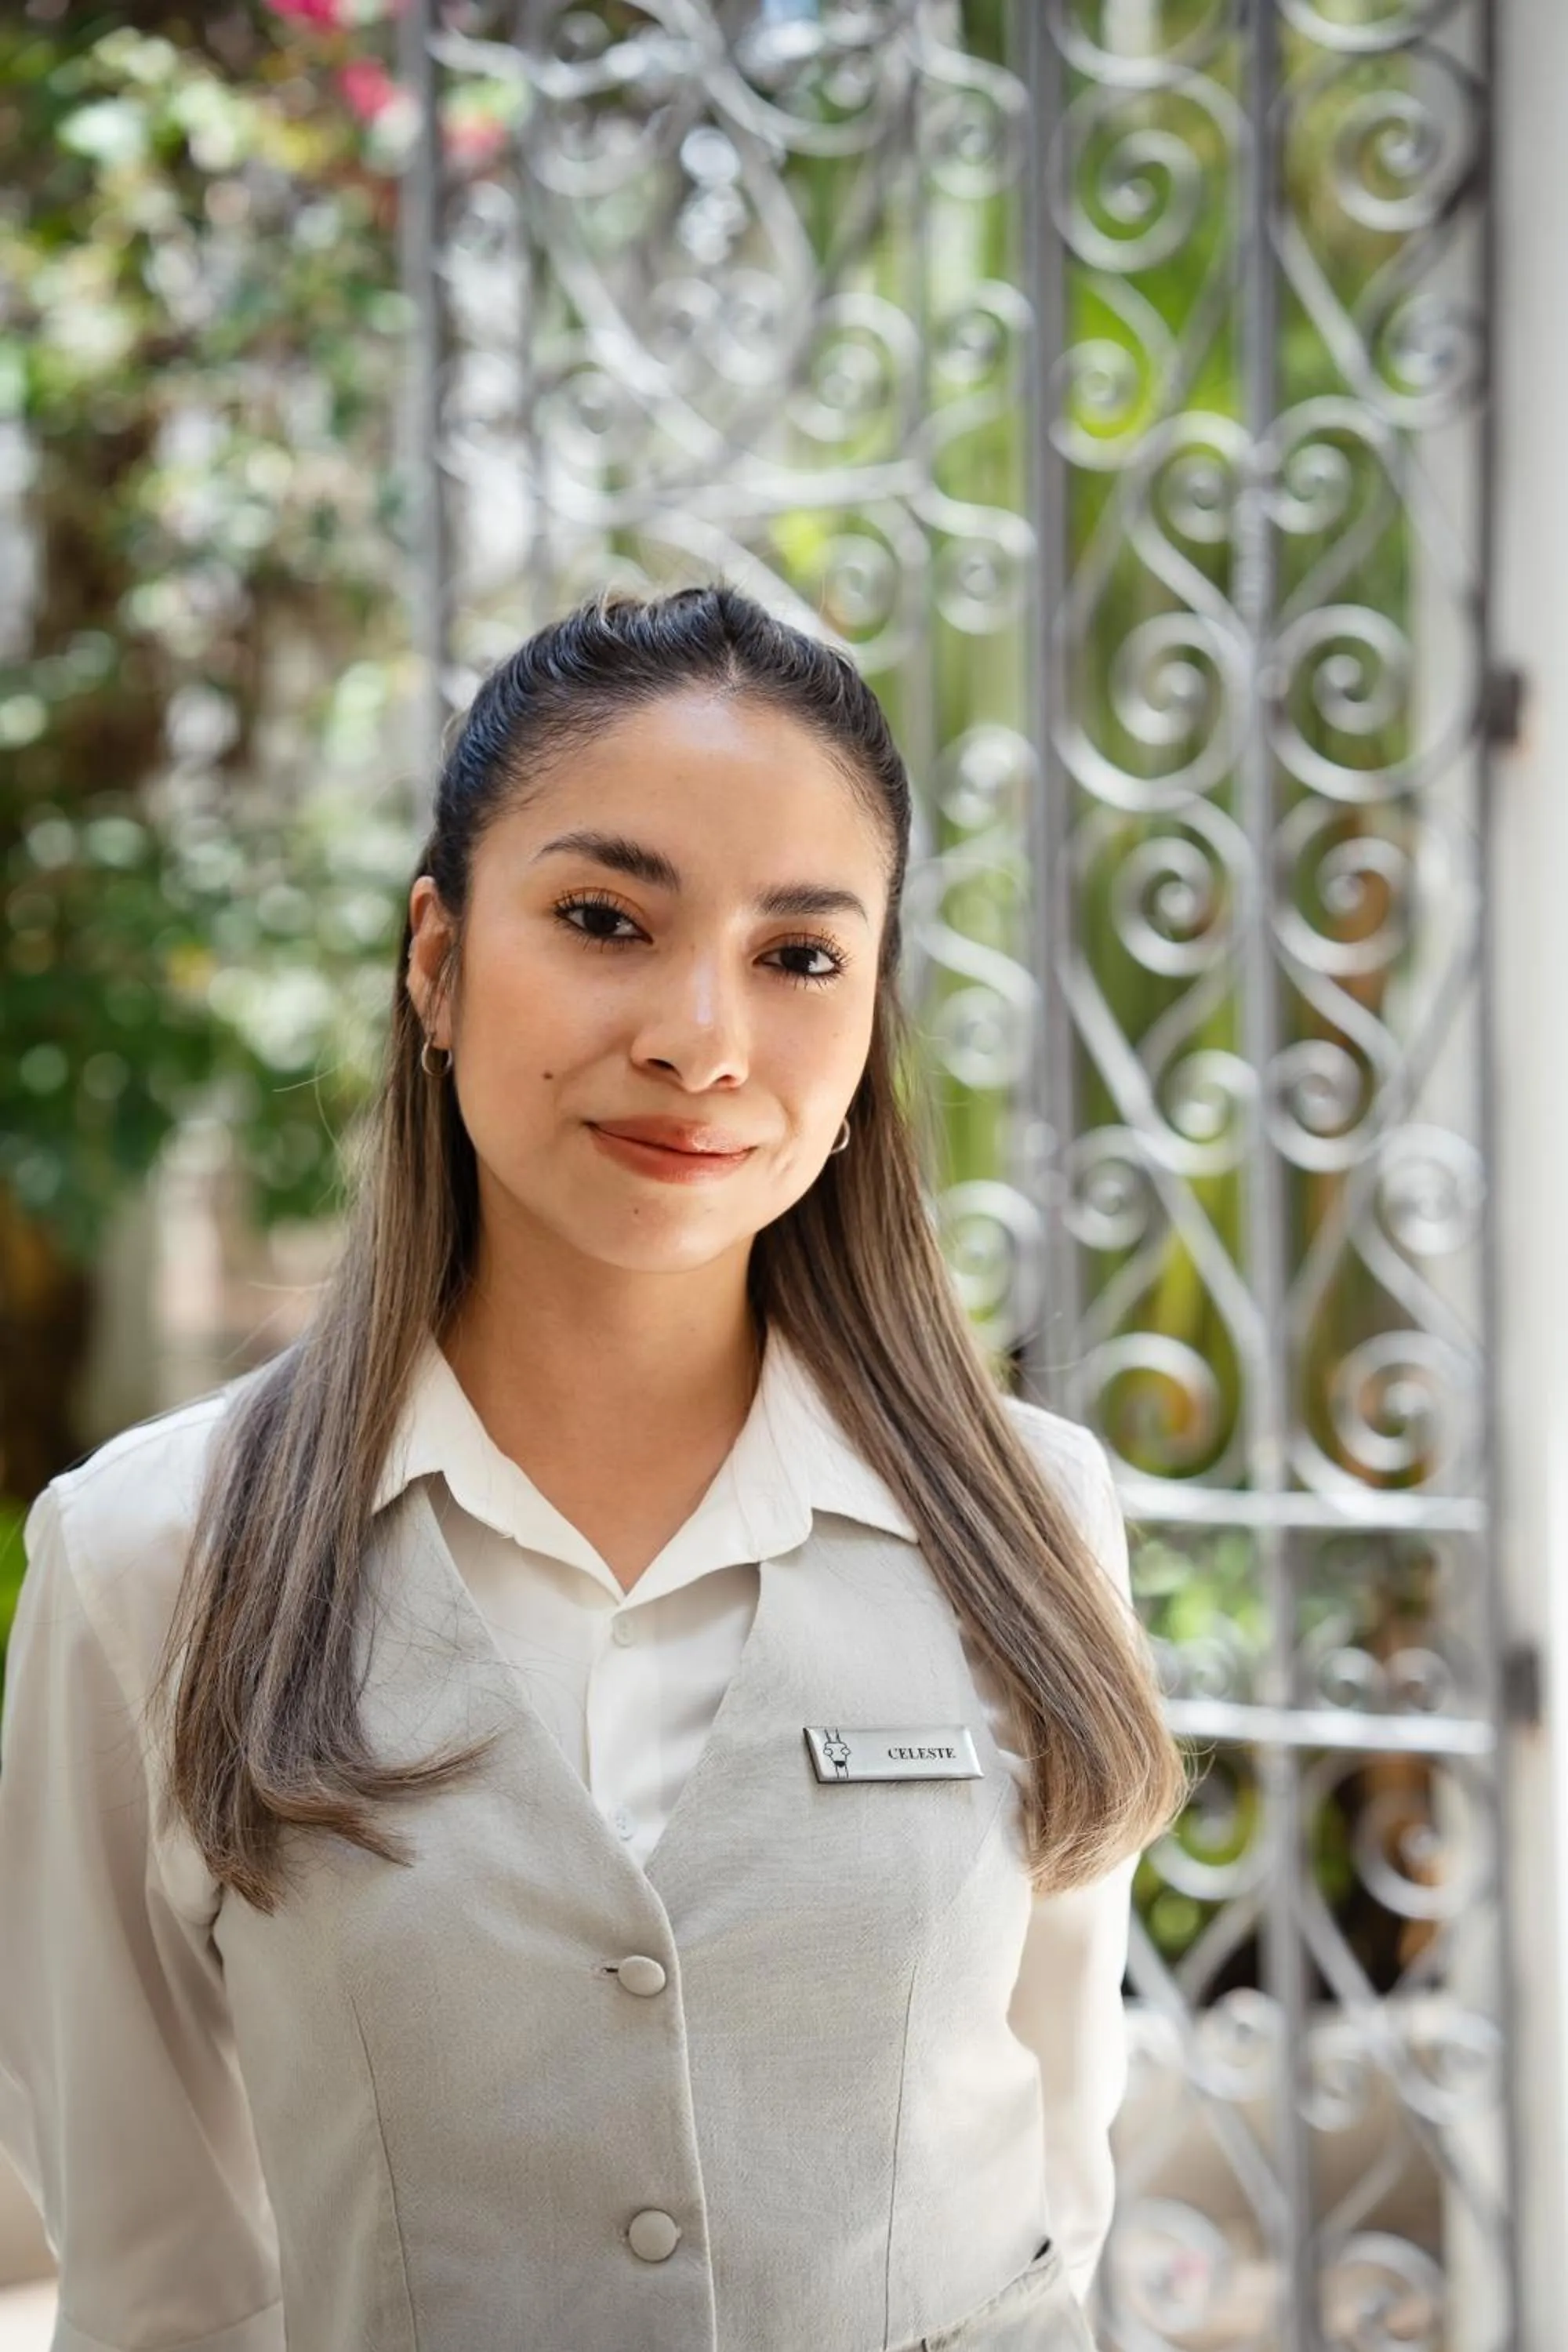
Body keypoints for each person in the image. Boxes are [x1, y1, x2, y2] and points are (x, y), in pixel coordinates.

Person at [0, 581, 1185, 2352]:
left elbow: (1049, 2213)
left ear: (867, 1025)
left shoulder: (1031, 1518)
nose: (701, 1038)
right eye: (604, 918)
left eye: (798, 955)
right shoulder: (147, 1557)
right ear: (438, 960)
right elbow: (154, 2290)